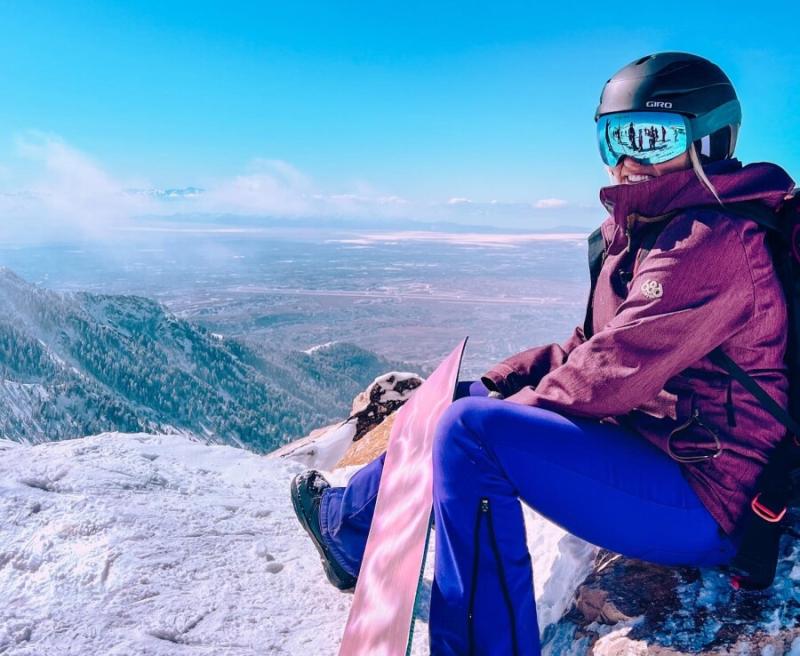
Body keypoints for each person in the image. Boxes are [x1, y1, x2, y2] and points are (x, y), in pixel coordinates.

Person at [290, 52, 795, 655]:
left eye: (652, 138)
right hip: (657, 452)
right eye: (614, 137)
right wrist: (499, 383)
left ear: (709, 141)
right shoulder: (649, 229)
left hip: (711, 500)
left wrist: (499, 410)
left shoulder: (710, 242)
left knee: (469, 433)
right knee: (459, 403)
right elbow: (590, 347)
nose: (628, 159)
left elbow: (610, 376)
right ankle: (348, 527)